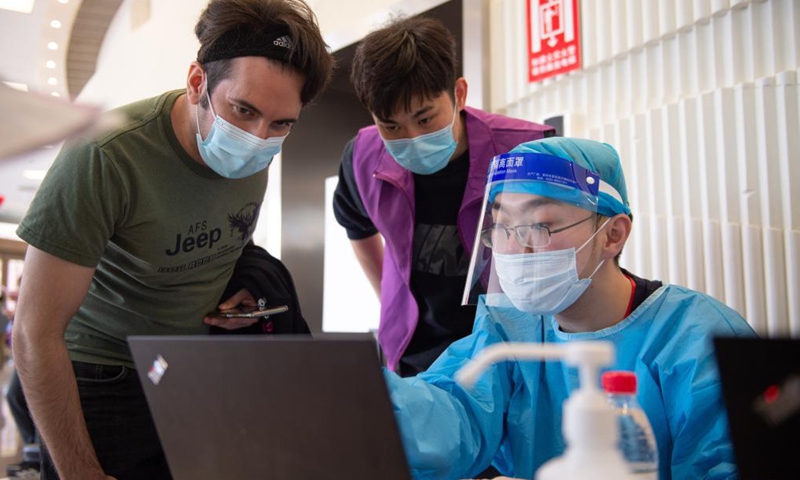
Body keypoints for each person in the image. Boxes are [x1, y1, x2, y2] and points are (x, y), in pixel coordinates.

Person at [12, 1, 333, 479]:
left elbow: (221, 244)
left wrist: (238, 293)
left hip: (187, 372)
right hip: (100, 377)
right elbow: (33, 334)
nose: (257, 137)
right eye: (242, 110)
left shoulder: (257, 157)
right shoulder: (104, 156)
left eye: (280, 124)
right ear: (198, 81)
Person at [385, 137, 756, 480]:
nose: (516, 248)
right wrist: (372, 398)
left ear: (613, 235)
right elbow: (449, 416)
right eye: (501, 225)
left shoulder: (698, 338)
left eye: (540, 224)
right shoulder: (511, 330)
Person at [333, 16, 554, 378]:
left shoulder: (526, 151)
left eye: (425, 119)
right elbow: (355, 226)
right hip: (412, 356)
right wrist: (392, 298)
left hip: (508, 353)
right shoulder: (362, 156)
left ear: (460, 94)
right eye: (391, 125)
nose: (411, 136)